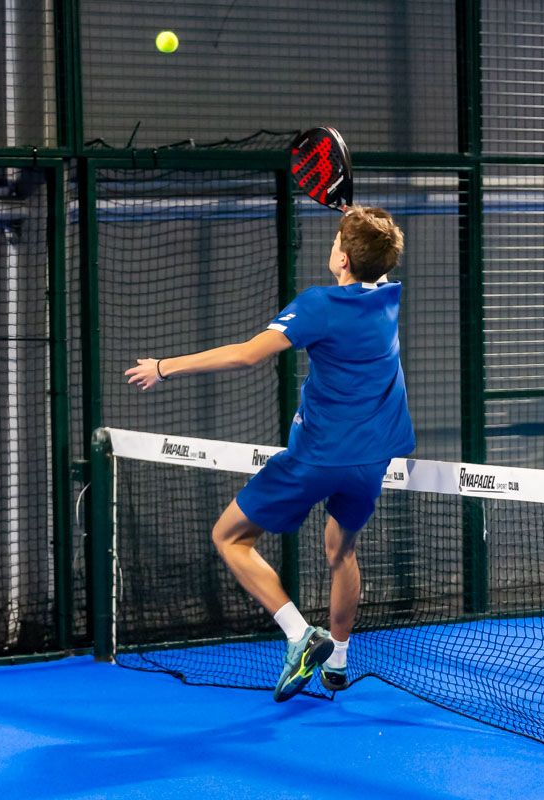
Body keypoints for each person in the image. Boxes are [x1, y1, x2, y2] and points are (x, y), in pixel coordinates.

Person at [125, 206, 414, 702]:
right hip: (373, 460)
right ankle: (338, 663)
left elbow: (246, 355)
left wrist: (163, 367)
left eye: (337, 243)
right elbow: (376, 253)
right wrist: (362, 224)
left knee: (229, 536)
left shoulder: (319, 305)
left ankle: (300, 635)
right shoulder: (388, 296)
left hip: (316, 459)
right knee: (341, 551)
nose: (332, 247)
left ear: (343, 260)